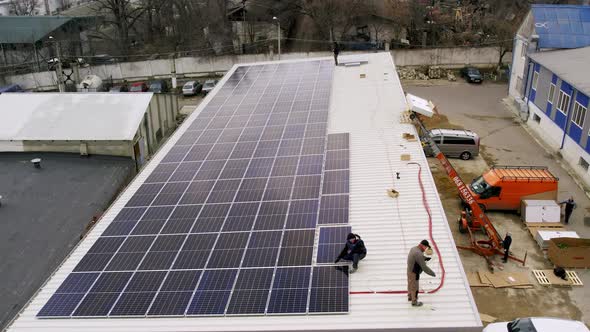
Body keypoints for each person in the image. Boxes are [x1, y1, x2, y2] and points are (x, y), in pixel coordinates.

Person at [407, 240, 436, 307]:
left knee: (410, 283)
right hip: (414, 271)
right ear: (423, 246)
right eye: (426, 247)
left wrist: (425, 258)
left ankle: (410, 296)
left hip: (409, 269)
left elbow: (417, 257)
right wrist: (432, 273)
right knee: (415, 286)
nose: (426, 249)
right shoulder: (418, 253)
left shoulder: (414, 248)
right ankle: (414, 302)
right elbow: (424, 268)